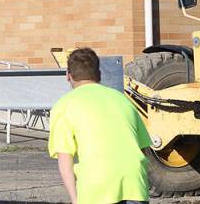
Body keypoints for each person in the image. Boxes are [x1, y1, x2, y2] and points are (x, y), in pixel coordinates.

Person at [48, 47, 150, 204]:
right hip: (134, 184)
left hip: (97, 188)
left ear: (68, 76)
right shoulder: (123, 100)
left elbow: (64, 159)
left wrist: (75, 199)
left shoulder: (64, 105)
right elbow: (142, 147)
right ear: (99, 74)